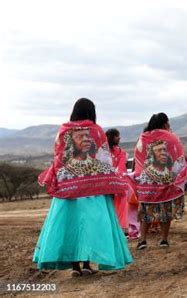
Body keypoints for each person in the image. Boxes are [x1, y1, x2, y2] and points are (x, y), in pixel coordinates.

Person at [34, 98, 132, 277]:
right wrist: (109, 182)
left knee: (69, 226)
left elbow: (58, 157)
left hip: (68, 189)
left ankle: (75, 267)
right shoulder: (96, 131)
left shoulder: (63, 131)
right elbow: (105, 159)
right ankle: (87, 263)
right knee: (92, 225)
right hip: (93, 190)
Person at [134, 113, 187, 249]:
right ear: (164, 124)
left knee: (146, 210)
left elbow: (138, 156)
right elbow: (180, 157)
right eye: (168, 123)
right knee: (165, 210)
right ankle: (164, 239)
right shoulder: (171, 137)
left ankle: (142, 240)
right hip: (166, 180)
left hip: (147, 181)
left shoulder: (143, 137)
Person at [106, 128, 129, 234]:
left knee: (111, 205)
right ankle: (120, 228)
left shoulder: (105, 152)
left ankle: (114, 228)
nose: (119, 137)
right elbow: (120, 169)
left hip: (109, 183)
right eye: (116, 135)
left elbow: (120, 168)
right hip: (117, 183)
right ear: (111, 137)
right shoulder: (120, 153)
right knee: (119, 205)